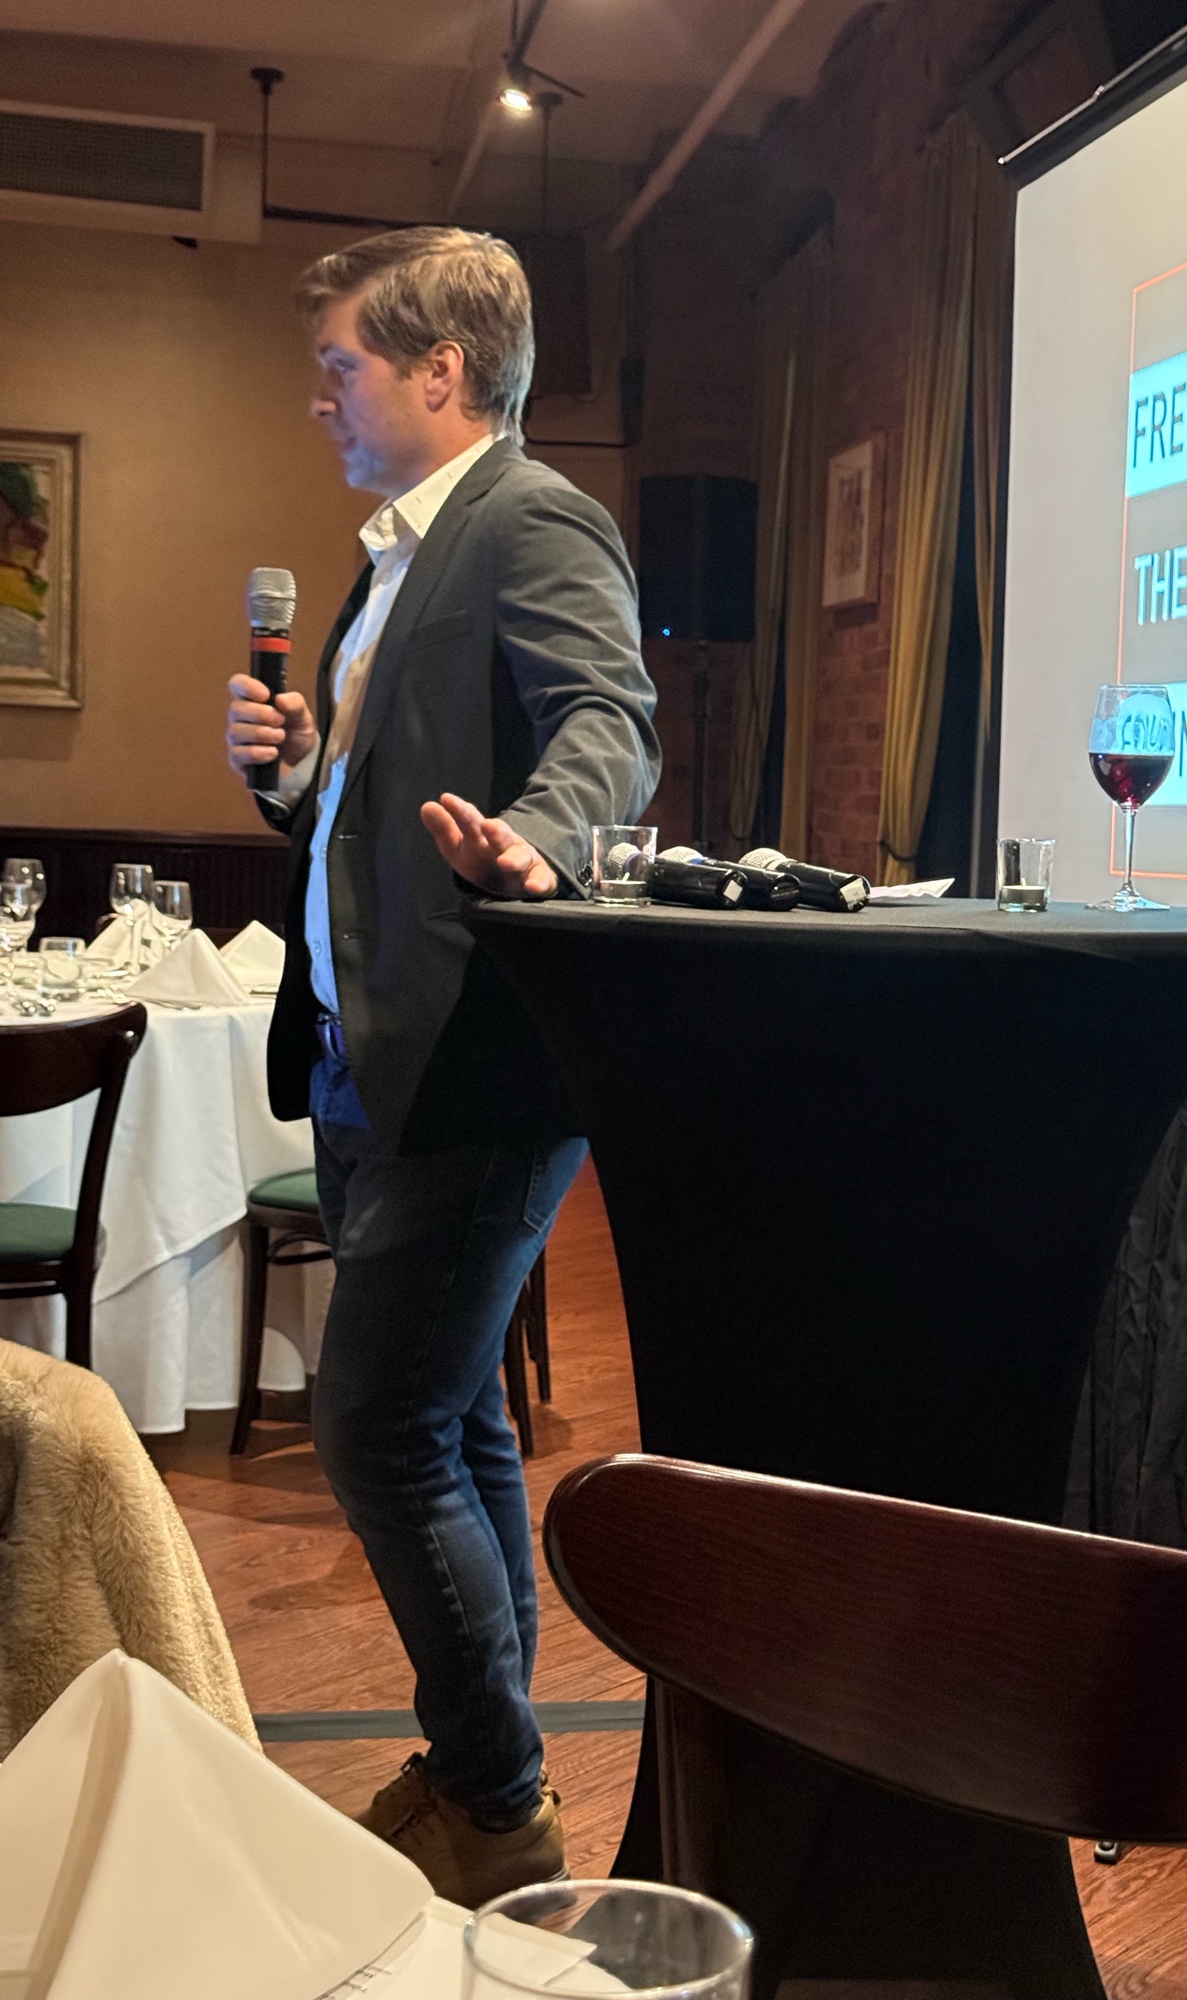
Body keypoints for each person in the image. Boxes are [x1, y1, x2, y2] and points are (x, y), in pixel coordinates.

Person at [224, 227, 659, 1904]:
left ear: (440, 370)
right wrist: (296, 771)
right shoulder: (401, 553)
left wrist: (545, 837)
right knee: (457, 1421)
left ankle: (498, 1797)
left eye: (340, 365)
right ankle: (489, 1779)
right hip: (370, 1053)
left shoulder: (529, 516)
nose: (320, 395)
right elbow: (364, 812)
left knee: (377, 1427)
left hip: (476, 1057)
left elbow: (610, 720)